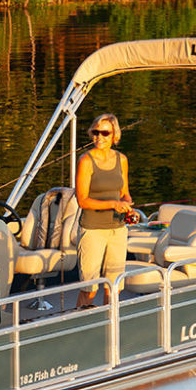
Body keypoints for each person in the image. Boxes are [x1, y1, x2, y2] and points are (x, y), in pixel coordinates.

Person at [75, 113, 132, 309]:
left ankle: (110, 323)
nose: (99, 137)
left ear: (114, 135)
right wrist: (113, 204)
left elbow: (125, 193)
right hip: (92, 230)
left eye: (105, 133)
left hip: (117, 230)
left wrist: (127, 206)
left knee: (114, 286)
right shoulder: (86, 161)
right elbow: (82, 201)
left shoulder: (122, 159)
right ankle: (81, 323)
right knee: (89, 288)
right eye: (96, 132)